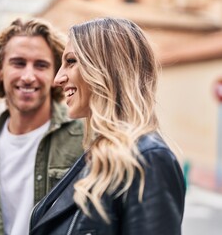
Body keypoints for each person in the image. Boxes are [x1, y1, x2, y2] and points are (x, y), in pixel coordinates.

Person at [29, 17, 186, 235]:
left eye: (71, 61)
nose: (58, 78)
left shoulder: (148, 158)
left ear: (106, 69)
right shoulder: (99, 151)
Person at [0, 18, 84, 235]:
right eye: (18, 63)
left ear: (56, 74)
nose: (28, 76)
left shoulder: (86, 139)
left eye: (41, 65)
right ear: (0, 71)